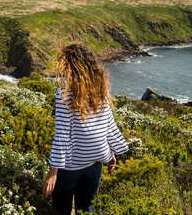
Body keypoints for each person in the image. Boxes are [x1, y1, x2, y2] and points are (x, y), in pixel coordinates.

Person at [43, 44, 128, 214]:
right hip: (96, 164)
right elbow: (107, 126)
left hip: (70, 169)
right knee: (85, 208)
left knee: (62, 211)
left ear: (71, 67)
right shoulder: (101, 92)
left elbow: (62, 136)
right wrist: (111, 153)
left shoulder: (64, 96)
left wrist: (52, 172)